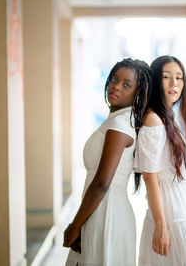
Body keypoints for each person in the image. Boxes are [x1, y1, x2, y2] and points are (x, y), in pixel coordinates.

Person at [63, 58, 152, 266]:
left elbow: (102, 182)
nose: (116, 86)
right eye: (114, 79)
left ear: (137, 93)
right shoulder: (118, 119)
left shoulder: (121, 124)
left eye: (126, 84)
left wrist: (75, 224)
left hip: (107, 214)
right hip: (99, 210)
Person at [134, 56, 186, 266]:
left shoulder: (170, 118)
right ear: (155, 81)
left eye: (179, 78)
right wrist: (161, 226)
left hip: (184, 212)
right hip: (171, 218)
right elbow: (149, 177)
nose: (174, 83)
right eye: (166, 77)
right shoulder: (154, 120)